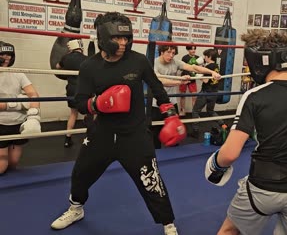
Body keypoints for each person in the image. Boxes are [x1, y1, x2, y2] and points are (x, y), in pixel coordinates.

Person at [50, 12, 186, 235]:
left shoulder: (138, 60)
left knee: (151, 179)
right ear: (103, 38)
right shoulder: (89, 67)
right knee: (80, 173)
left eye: (126, 38)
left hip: (134, 134)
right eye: (117, 39)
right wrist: (99, 103)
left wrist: (170, 114)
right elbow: (80, 102)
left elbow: (156, 87)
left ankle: (168, 223)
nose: (123, 43)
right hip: (101, 132)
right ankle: (76, 209)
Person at [204, 29, 287, 235]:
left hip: (263, 189)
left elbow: (230, 154)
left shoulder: (254, 96)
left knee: (230, 231)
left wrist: (216, 165)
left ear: (260, 61)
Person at [152, 45, 221, 147]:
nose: (171, 56)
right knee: (155, 132)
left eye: (173, 53)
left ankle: (175, 155)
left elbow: (193, 67)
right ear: (161, 52)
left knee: (176, 130)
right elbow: (160, 81)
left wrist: (212, 72)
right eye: (168, 52)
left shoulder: (175, 61)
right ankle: (156, 155)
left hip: (171, 102)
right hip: (156, 102)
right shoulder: (154, 63)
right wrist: (180, 81)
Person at [0, 41, 41, 174]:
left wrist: (34, 116)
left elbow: (34, 94)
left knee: (13, 163)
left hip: (18, 123)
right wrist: (21, 103)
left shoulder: (18, 74)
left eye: (9, 54)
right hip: (1, 123)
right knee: (2, 166)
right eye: (3, 54)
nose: (6, 57)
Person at [55, 39, 87, 148]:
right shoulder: (86, 59)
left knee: (73, 113)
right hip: (84, 89)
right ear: (80, 47)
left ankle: (67, 139)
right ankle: (89, 137)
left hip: (71, 88)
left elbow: (57, 67)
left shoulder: (66, 58)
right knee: (89, 112)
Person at [191, 49, 224, 138]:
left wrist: (197, 76)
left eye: (205, 56)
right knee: (210, 111)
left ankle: (195, 131)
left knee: (195, 111)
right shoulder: (216, 66)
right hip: (214, 92)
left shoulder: (208, 68)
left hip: (205, 92)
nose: (204, 58)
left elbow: (205, 81)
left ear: (209, 57)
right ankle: (223, 124)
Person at [179, 45, 202, 116]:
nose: (193, 50)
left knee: (194, 96)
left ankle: (194, 112)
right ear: (188, 50)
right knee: (182, 95)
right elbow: (181, 68)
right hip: (184, 77)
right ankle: (183, 111)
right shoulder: (185, 58)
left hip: (192, 79)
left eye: (194, 49)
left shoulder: (198, 58)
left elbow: (200, 68)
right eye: (192, 49)